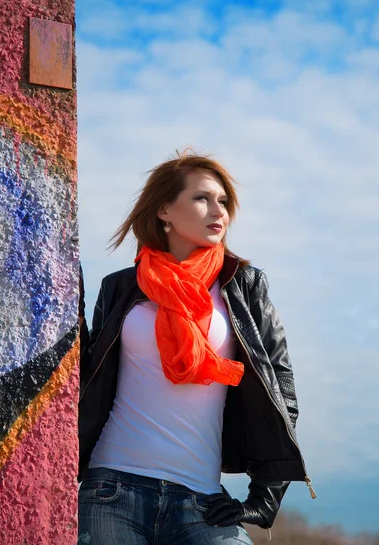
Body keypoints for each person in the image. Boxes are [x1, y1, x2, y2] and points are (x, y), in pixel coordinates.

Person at [78, 150, 315, 545]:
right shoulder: (121, 287)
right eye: (202, 198)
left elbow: (281, 386)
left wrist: (263, 498)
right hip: (112, 489)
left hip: (201, 499)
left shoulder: (243, 286)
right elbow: (88, 377)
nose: (217, 211)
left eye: (223, 201)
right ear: (165, 210)